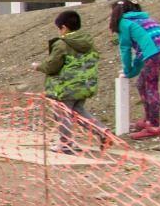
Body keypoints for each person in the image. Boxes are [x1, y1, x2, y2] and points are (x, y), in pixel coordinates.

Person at [32, 9, 106, 154]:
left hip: (66, 87)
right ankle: (103, 132)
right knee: (78, 112)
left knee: (61, 113)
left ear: (64, 28)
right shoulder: (88, 42)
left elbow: (52, 65)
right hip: (85, 84)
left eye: (59, 29)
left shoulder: (62, 44)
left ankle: (66, 143)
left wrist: (38, 66)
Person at [109, 0, 160, 140]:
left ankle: (154, 126)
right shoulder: (143, 20)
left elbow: (125, 49)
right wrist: (132, 72)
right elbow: (141, 52)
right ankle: (148, 120)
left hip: (154, 53)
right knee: (141, 84)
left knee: (150, 87)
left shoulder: (124, 23)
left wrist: (127, 70)